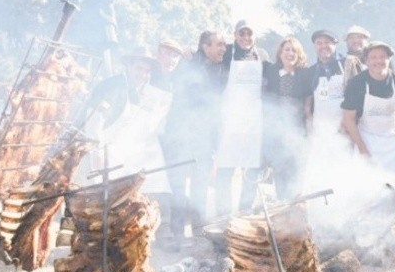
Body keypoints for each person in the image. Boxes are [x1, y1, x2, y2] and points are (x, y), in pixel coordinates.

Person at [82, 47, 174, 230]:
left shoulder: (137, 91)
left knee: (119, 202)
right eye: (139, 69)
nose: (143, 74)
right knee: (94, 202)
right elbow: (94, 121)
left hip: (118, 153)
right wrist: (96, 151)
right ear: (129, 66)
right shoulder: (113, 86)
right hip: (98, 149)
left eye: (147, 71)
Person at [161, 31, 228, 242]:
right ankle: (177, 233)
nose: (223, 49)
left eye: (224, 45)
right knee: (178, 186)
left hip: (205, 138)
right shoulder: (186, 63)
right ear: (205, 47)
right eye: (219, 45)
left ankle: (199, 232)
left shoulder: (220, 69)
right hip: (181, 136)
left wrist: (215, 142)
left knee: (200, 187)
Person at [214, 20, 270, 216]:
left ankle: (244, 215)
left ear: (255, 36)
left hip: (253, 124)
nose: (246, 38)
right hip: (229, 122)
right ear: (235, 35)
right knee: (225, 173)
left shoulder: (262, 55)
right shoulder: (226, 53)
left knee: (250, 174)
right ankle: (223, 216)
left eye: (249, 34)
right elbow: (206, 56)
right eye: (241, 34)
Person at [341, 41, 395, 178]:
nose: (378, 61)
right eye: (373, 57)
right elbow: (348, 119)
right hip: (367, 140)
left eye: (382, 57)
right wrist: (362, 148)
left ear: (389, 59)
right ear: (366, 61)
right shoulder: (356, 84)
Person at [262, 36, 313, 201]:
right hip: (276, 131)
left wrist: (309, 130)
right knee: (280, 171)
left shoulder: (305, 74)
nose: (290, 53)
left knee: (297, 172)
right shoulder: (270, 71)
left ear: (299, 55)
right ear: (280, 53)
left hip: (297, 131)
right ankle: (282, 206)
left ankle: (296, 207)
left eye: (294, 51)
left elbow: (308, 104)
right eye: (287, 50)